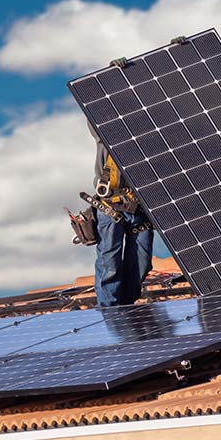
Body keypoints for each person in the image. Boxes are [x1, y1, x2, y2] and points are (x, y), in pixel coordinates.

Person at [91, 126, 154, 307]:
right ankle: (110, 312)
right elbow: (95, 115)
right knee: (109, 266)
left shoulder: (149, 137)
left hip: (139, 209)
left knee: (141, 264)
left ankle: (125, 309)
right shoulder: (106, 133)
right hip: (111, 207)